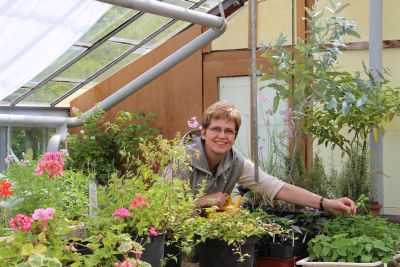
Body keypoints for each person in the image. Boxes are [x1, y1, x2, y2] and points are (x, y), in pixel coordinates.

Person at [182, 101, 356, 215]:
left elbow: (276, 188)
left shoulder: (236, 163)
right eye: (216, 129)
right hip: (172, 246)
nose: (222, 135)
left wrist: (326, 203)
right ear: (203, 133)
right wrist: (204, 201)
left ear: (234, 137)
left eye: (229, 131)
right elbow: (161, 208)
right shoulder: (181, 159)